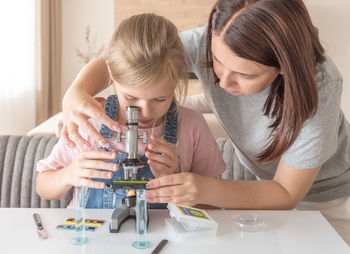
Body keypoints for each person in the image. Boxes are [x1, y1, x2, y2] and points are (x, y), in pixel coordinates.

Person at [60, 0, 350, 244]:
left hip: (328, 200)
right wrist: (75, 92)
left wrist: (201, 189)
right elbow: (124, 60)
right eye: (215, 62)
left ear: (284, 68)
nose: (222, 82)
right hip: (266, 190)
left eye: (245, 75)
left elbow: (286, 193)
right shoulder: (206, 42)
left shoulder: (320, 85)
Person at [36, 13, 226, 209]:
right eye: (131, 98)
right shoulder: (90, 123)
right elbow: (43, 186)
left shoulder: (192, 126)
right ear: (111, 77)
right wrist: (68, 175)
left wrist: (176, 181)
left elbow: (212, 206)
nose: (145, 110)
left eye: (160, 99)